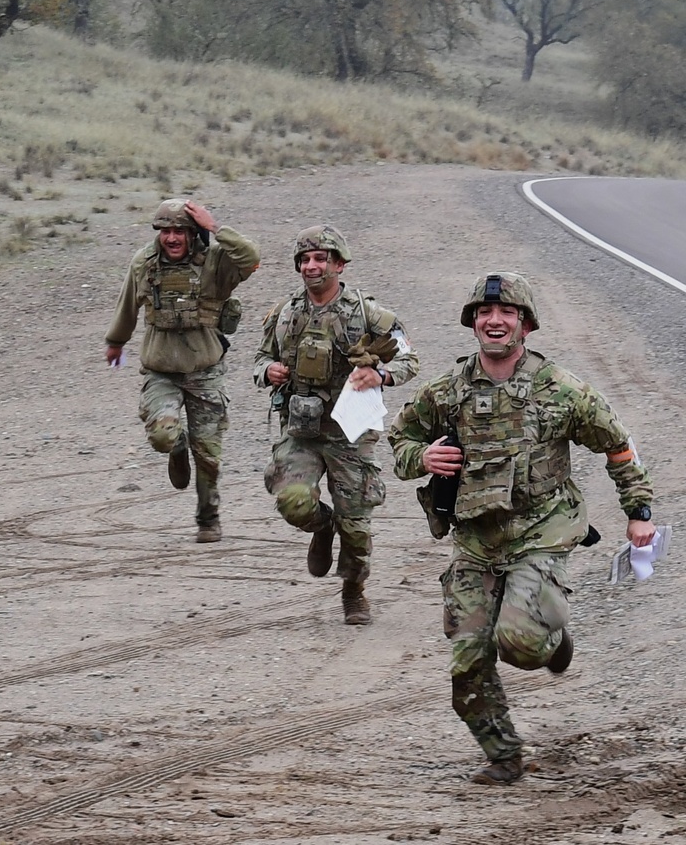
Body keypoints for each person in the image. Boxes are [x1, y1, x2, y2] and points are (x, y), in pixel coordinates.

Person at [388, 272, 656, 785]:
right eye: (485, 314)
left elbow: (619, 447)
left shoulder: (560, 389)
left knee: (521, 644)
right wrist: (421, 456)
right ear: (473, 323)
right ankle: (503, 755)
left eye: (506, 313)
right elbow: (400, 441)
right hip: (475, 537)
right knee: (466, 664)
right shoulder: (447, 391)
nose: (494, 321)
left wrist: (638, 512)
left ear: (526, 325)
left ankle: (553, 643)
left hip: (543, 529)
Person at [254, 225, 419, 624]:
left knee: (357, 526)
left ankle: (354, 589)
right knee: (293, 502)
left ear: (339, 264)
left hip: (351, 432)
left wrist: (381, 376)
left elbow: (409, 360)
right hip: (301, 431)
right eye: (305, 260)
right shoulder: (284, 313)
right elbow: (259, 360)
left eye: (321, 259)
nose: (312, 266)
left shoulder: (368, 314)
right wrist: (269, 371)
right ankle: (322, 526)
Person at [105, 198, 260, 543]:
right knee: (163, 435)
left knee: (208, 457)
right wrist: (115, 342)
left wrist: (215, 227)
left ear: (194, 234)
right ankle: (177, 446)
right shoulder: (144, 263)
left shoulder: (216, 263)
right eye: (165, 231)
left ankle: (208, 520)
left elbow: (251, 257)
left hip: (205, 371)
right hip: (161, 370)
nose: (172, 238)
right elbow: (128, 304)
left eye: (180, 231)